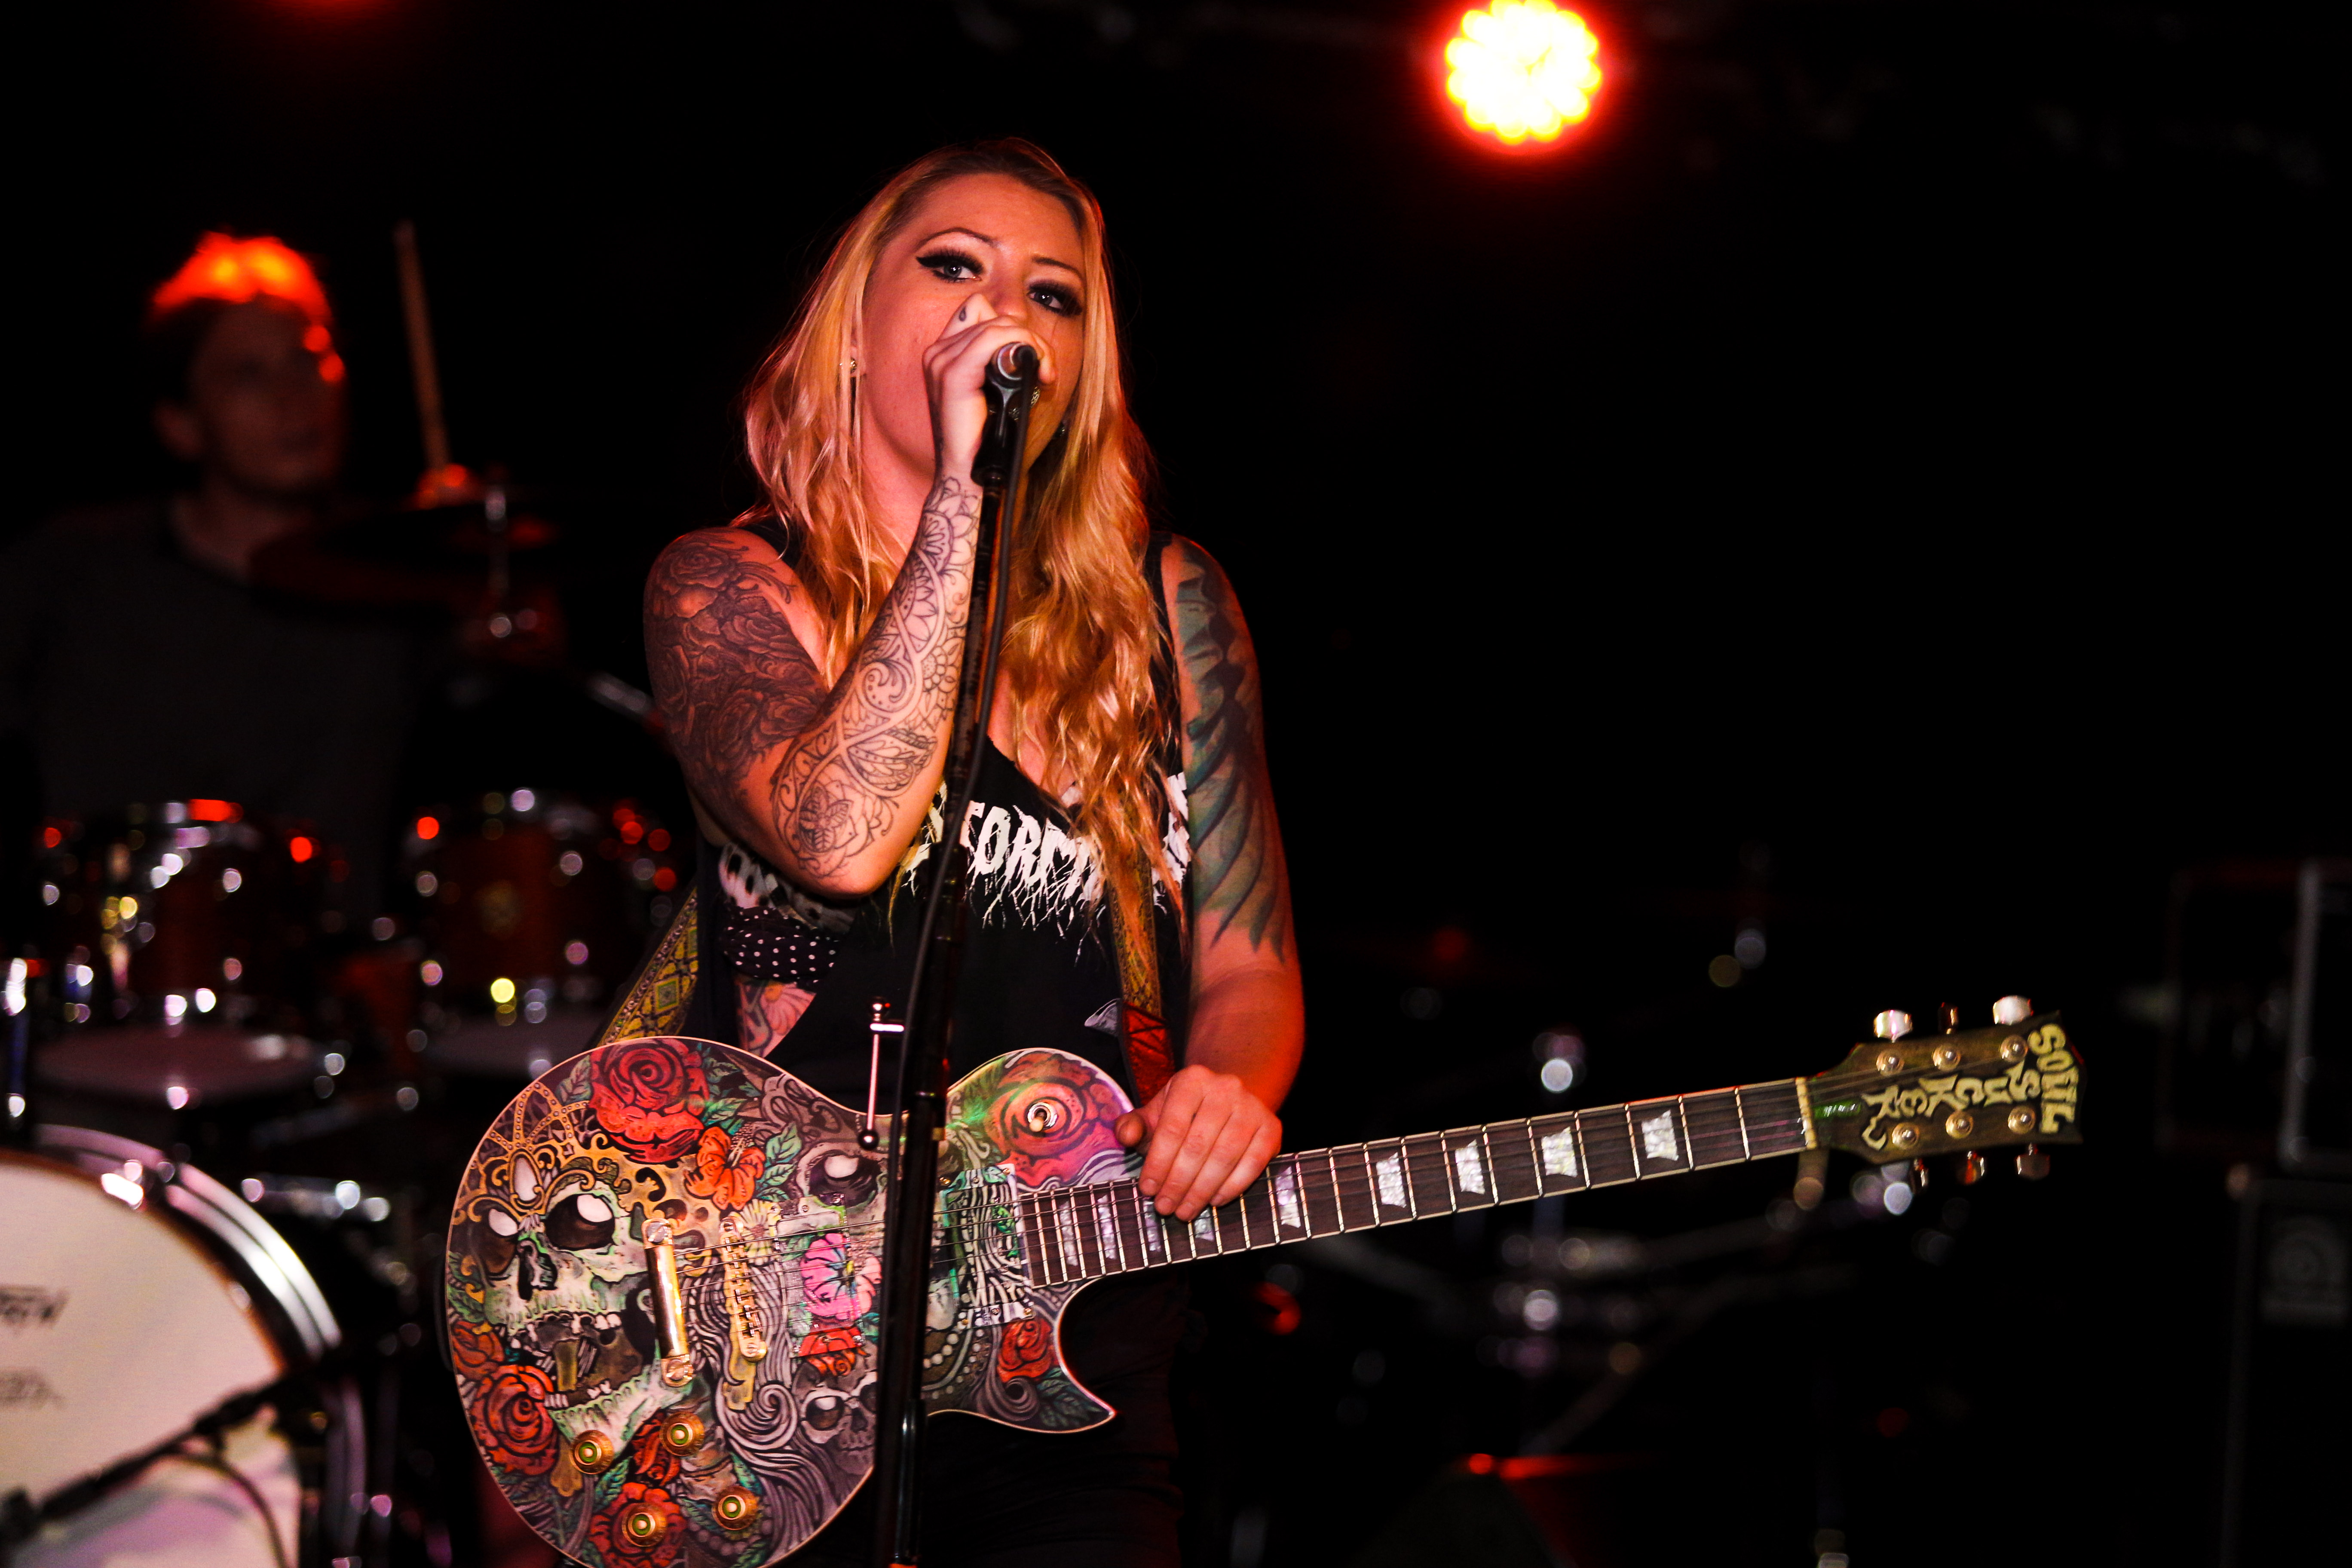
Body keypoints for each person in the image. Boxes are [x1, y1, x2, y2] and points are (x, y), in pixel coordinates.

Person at [642, 140, 1305, 1566]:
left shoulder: (1171, 610)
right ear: (854, 317)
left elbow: (1248, 962)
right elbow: (840, 831)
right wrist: (963, 498)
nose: (1006, 313)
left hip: (1074, 1348)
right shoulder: (731, 585)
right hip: (769, 1352)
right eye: (954, 265)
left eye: (1054, 296)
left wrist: (1229, 1092)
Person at [0, 234, 419, 920]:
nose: (294, 395)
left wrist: (501, 582)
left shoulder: (407, 570)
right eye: (248, 375)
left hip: (339, 987)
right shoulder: (69, 572)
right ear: (180, 426)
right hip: (112, 984)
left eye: (310, 360)